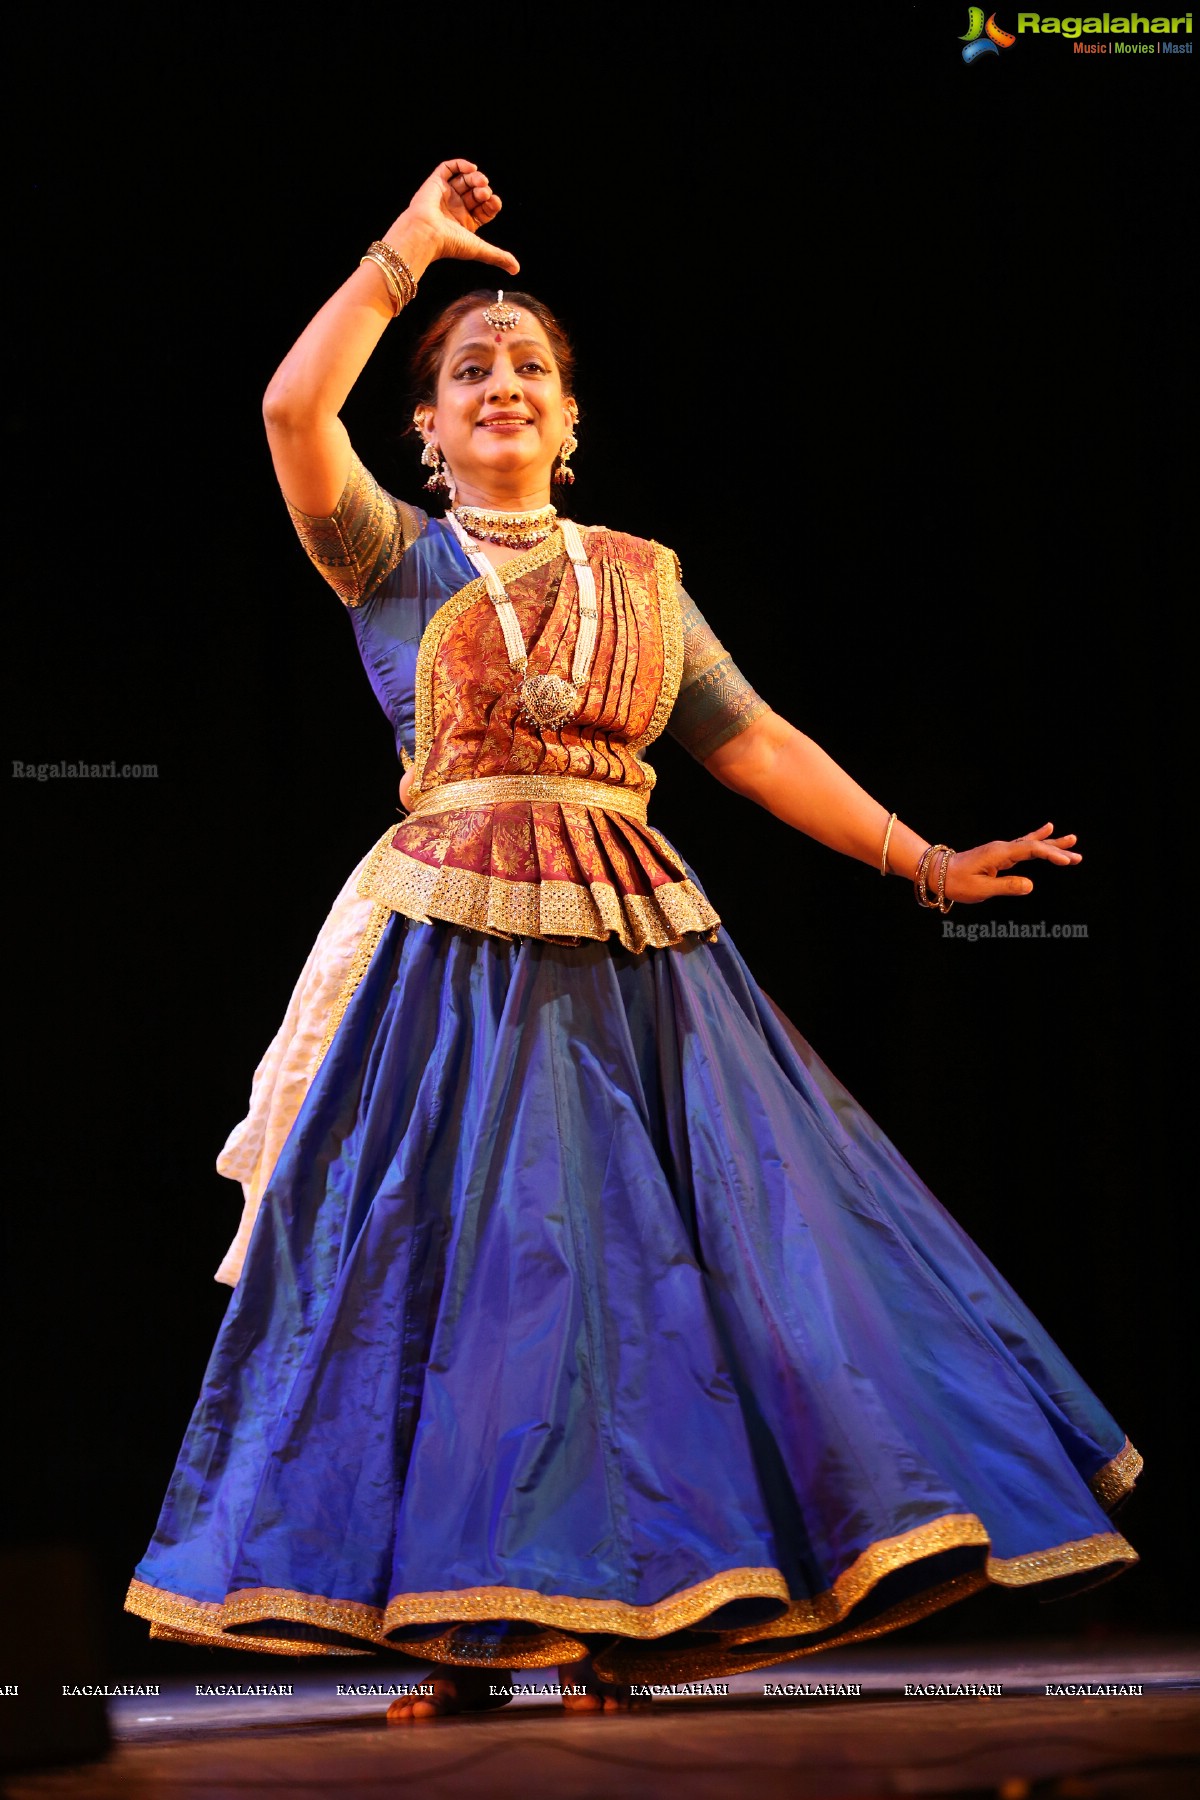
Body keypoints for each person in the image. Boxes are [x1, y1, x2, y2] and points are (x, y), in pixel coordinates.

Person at [125, 160, 1141, 1721]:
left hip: (630, 955)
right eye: (471, 372)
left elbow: (754, 743)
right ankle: (458, 1629)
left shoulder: (643, 583)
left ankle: (618, 1612)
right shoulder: (389, 558)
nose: (503, 384)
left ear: (574, 420)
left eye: (532, 366)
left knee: (648, 1275)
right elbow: (284, 410)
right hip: (444, 968)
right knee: (450, 1275)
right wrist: (408, 254)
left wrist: (924, 861)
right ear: (426, 424)